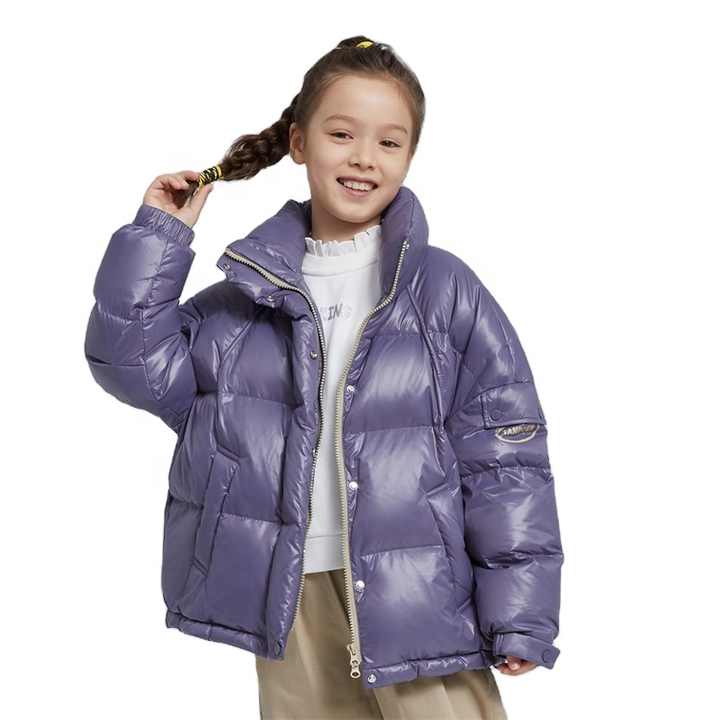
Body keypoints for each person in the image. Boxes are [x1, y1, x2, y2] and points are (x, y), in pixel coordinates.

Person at [85, 35, 563, 720]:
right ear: (299, 143)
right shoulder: (242, 301)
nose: (365, 157)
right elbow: (130, 364)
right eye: (342, 134)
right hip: (291, 592)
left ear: (409, 156)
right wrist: (159, 234)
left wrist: (519, 611)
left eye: (390, 142)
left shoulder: (443, 291)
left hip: (422, 598)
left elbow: (506, 458)